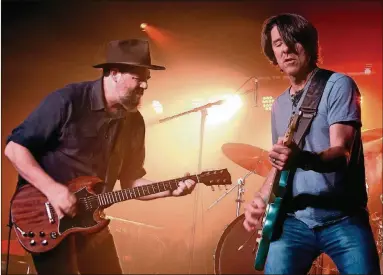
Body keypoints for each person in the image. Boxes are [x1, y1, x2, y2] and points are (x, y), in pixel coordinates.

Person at [4, 39, 196, 274]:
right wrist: (54, 190)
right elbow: (14, 149)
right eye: (138, 78)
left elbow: (131, 181)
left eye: (147, 80)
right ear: (114, 73)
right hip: (46, 216)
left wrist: (170, 188)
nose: (145, 86)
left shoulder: (134, 122)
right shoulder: (69, 100)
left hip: (90, 220)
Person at [243, 13, 380, 274]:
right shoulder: (280, 105)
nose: (286, 49)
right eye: (278, 43)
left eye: (293, 40)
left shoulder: (337, 84)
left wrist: (302, 158)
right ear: (272, 54)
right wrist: (260, 198)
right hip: (294, 221)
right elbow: (281, 164)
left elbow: (342, 153)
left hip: (343, 218)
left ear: (310, 44)